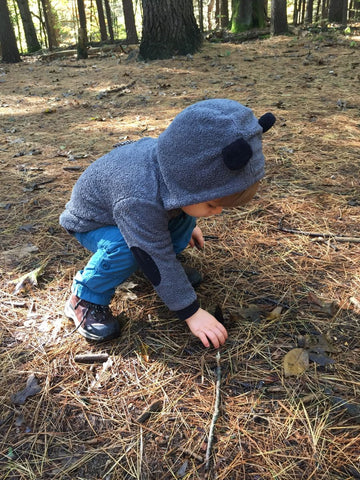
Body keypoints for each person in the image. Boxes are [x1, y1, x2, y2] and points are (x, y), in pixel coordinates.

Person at [59, 99, 275, 348]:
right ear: (186, 182)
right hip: (92, 223)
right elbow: (151, 250)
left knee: (183, 219)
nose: (215, 213)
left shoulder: (175, 164)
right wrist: (191, 312)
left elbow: (177, 204)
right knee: (127, 248)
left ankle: (163, 275)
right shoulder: (138, 197)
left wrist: (188, 224)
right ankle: (85, 296)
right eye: (212, 205)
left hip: (135, 214)